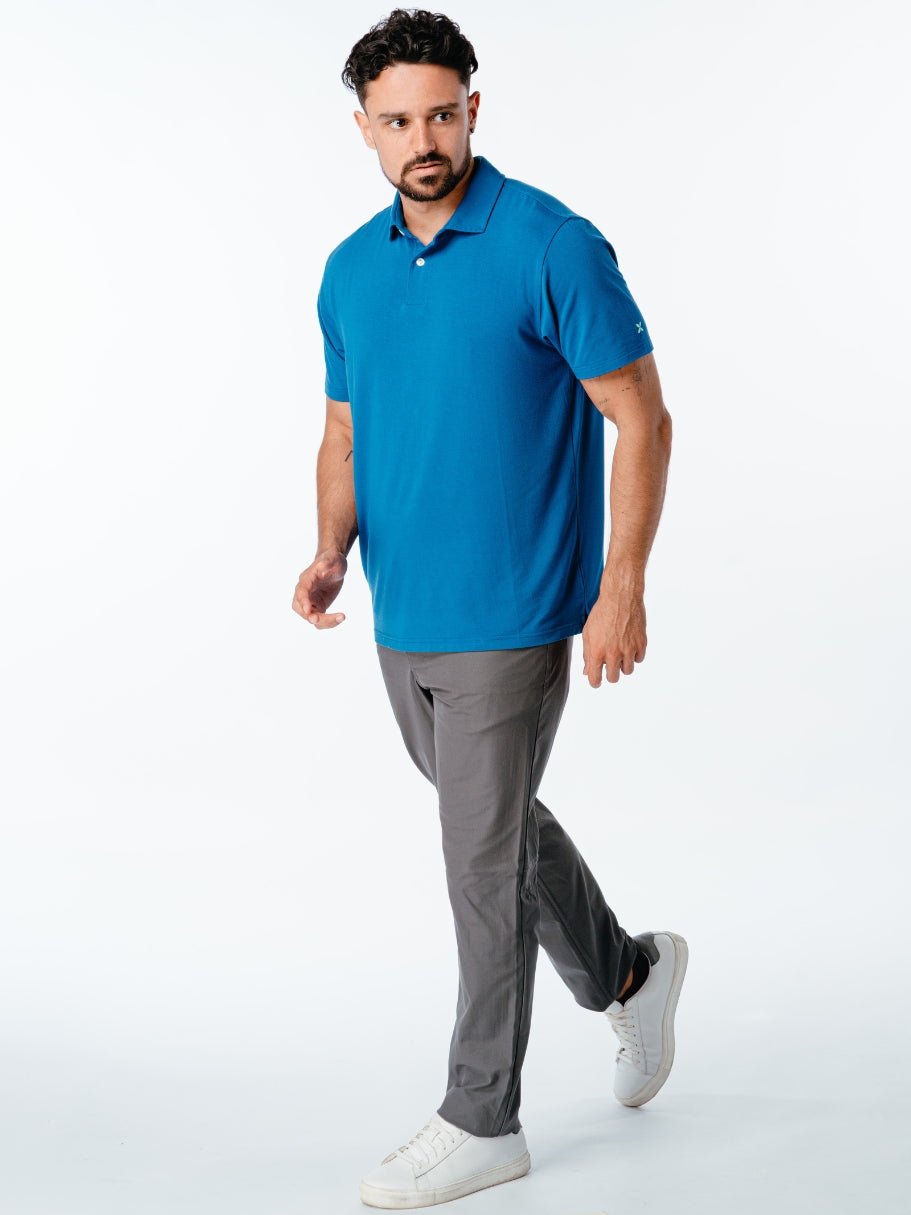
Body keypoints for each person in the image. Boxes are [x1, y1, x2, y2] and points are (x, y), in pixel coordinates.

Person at [292, 9, 686, 1209]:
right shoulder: (349, 269)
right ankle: (627, 976)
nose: (422, 140)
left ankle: (482, 1118)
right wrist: (329, 550)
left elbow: (640, 418)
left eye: (440, 114)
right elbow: (344, 429)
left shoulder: (549, 244)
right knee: (496, 829)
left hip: (512, 612)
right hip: (402, 609)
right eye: (396, 121)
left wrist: (620, 587)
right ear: (362, 128)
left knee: (477, 860)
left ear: (473, 109)